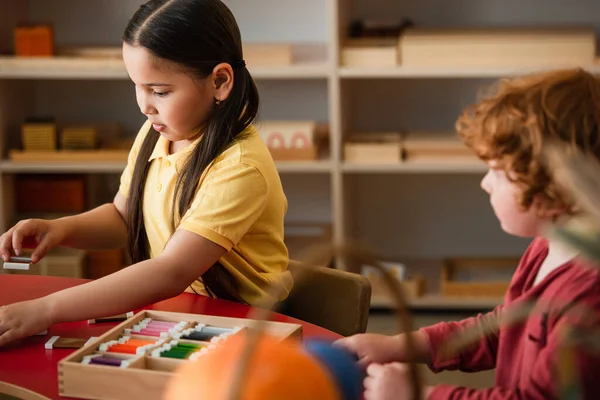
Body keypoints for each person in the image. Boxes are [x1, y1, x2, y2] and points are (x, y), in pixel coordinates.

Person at [0, 0, 292, 348]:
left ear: (220, 81)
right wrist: (60, 229)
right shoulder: (160, 130)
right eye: (136, 85)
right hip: (181, 314)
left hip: (244, 329)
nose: (144, 104)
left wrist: (46, 309)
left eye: (160, 91)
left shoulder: (240, 166)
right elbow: (124, 218)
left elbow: (171, 272)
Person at [336, 68, 600, 399]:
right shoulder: (548, 245)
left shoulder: (588, 303)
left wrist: (419, 395)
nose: (485, 183)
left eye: (498, 172)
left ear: (555, 187)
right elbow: (504, 328)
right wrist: (401, 345)